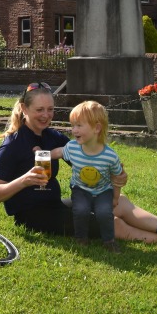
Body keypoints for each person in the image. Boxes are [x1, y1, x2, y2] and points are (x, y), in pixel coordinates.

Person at [0, 83, 157, 248]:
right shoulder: (11, 146)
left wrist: (113, 171)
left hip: (55, 205)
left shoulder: (53, 137)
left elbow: (84, 155)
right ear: (24, 109)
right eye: (39, 109)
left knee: (119, 203)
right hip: (33, 217)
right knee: (113, 224)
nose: (46, 115)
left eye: (50, 109)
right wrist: (25, 179)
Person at [46, 100, 124, 252]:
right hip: (80, 188)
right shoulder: (73, 147)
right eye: (73, 125)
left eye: (79, 126)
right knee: (81, 210)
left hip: (103, 191)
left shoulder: (110, 156)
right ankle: (81, 238)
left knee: (104, 213)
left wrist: (115, 197)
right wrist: (43, 155)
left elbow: (118, 177)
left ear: (97, 128)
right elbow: (59, 152)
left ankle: (109, 240)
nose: (74, 130)